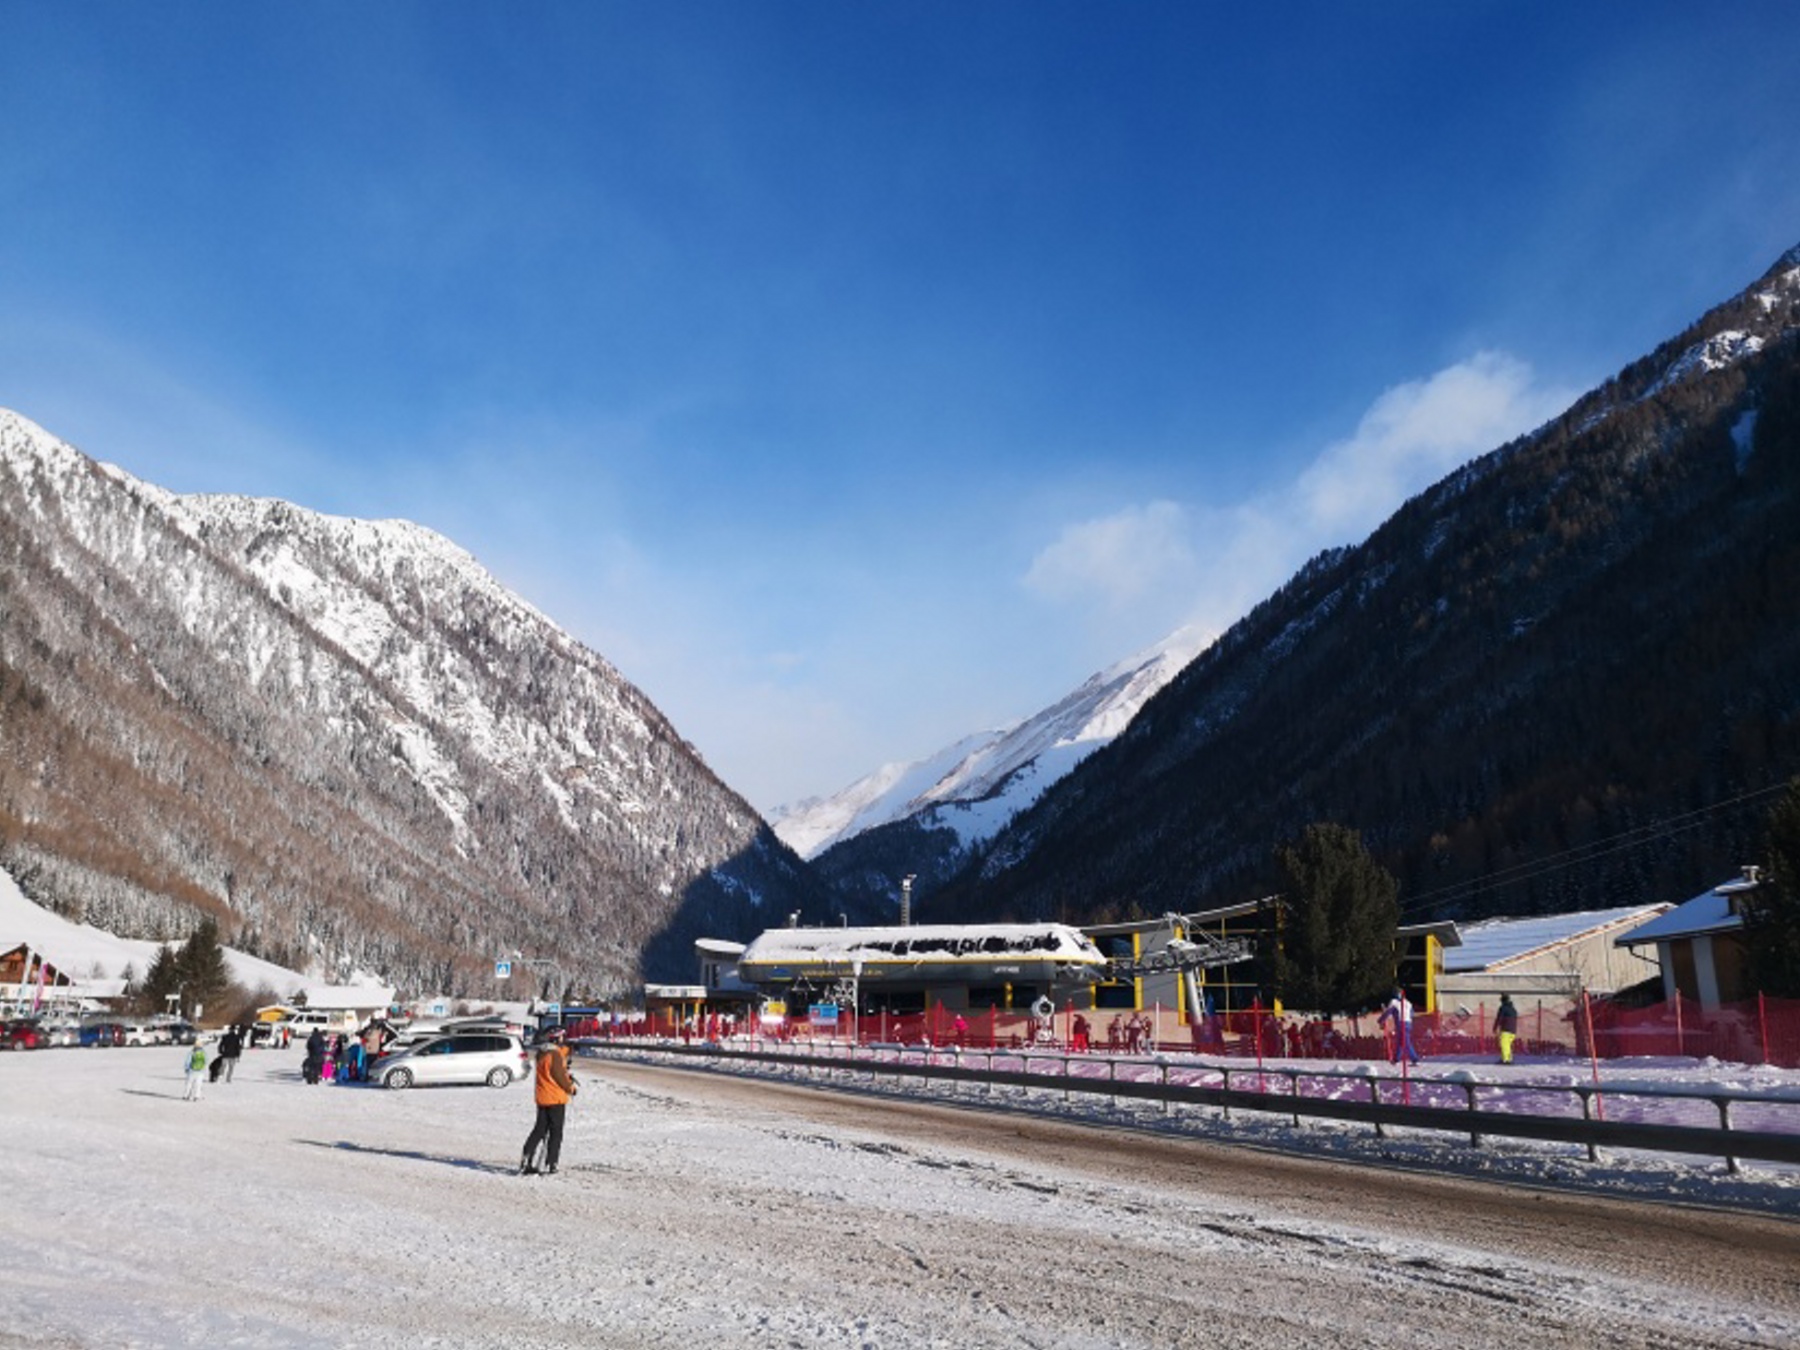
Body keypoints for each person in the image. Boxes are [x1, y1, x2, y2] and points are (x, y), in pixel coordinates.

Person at [521, 1029, 578, 1176]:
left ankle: (527, 1157)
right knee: (555, 1132)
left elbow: (558, 1058)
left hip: (543, 1097)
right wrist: (571, 1088)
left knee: (539, 1130)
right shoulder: (554, 1055)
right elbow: (559, 1076)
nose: (563, 1039)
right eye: (561, 1037)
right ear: (555, 1039)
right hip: (555, 1098)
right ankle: (551, 1163)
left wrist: (568, 1049)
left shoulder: (542, 1053)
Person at [1378, 986, 1420, 1065]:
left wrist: (1381, 1020)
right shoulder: (1408, 1003)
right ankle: (1396, 1059)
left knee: (1406, 1042)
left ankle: (1415, 1059)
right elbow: (1412, 1013)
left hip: (1401, 1023)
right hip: (1408, 1023)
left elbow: (1388, 1012)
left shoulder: (1394, 1002)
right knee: (1401, 1042)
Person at [1496, 994, 1520, 1065]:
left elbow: (1499, 1018)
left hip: (1505, 1029)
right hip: (1513, 1030)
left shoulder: (1503, 1008)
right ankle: (1509, 1058)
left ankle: (1505, 1060)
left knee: (1504, 1045)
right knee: (1509, 1045)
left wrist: (1495, 1027)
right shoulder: (1513, 1009)